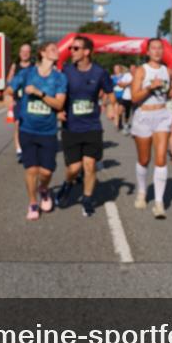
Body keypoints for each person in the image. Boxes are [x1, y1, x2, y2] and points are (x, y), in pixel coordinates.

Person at [6, 42, 67, 221]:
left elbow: (59, 104)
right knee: (31, 170)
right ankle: (33, 203)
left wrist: (39, 93)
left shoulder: (59, 78)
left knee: (46, 172)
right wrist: (10, 97)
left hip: (48, 131)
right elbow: (9, 89)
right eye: (53, 49)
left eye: (57, 49)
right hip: (27, 129)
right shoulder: (27, 73)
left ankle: (44, 189)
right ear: (42, 53)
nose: (57, 51)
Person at [56, 35, 114, 217]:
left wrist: (110, 106)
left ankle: (87, 200)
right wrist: (58, 111)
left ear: (86, 52)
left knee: (89, 165)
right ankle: (68, 183)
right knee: (74, 168)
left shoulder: (99, 72)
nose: (71, 51)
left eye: (75, 48)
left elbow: (110, 92)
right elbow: (57, 93)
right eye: (70, 48)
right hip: (71, 126)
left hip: (92, 126)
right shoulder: (66, 71)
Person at [130, 39, 172, 218]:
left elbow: (167, 92)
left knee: (161, 159)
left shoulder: (167, 71)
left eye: (160, 48)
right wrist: (150, 87)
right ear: (147, 52)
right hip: (143, 117)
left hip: (162, 115)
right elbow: (134, 97)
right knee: (144, 159)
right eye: (153, 48)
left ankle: (159, 203)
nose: (157, 51)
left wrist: (171, 92)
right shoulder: (142, 70)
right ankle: (142, 192)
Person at [6, 44, 34, 162]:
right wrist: (10, 98)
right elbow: (9, 82)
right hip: (18, 100)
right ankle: (19, 150)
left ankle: (30, 148)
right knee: (18, 124)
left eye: (27, 51)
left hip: (31, 100)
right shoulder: (15, 66)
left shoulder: (34, 67)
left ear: (30, 53)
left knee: (31, 125)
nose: (25, 53)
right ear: (19, 53)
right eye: (23, 51)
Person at [115, 64, 135, 134]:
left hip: (136, 97)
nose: (132, 70)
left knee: (136, 112)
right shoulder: (127, 75)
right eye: (131, 68)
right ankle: (125, 125)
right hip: (127, 97)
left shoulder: (138, 75)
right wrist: (130, 83)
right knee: (127, 112)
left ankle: (135, 128)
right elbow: (120, 84)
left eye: (134, 68)